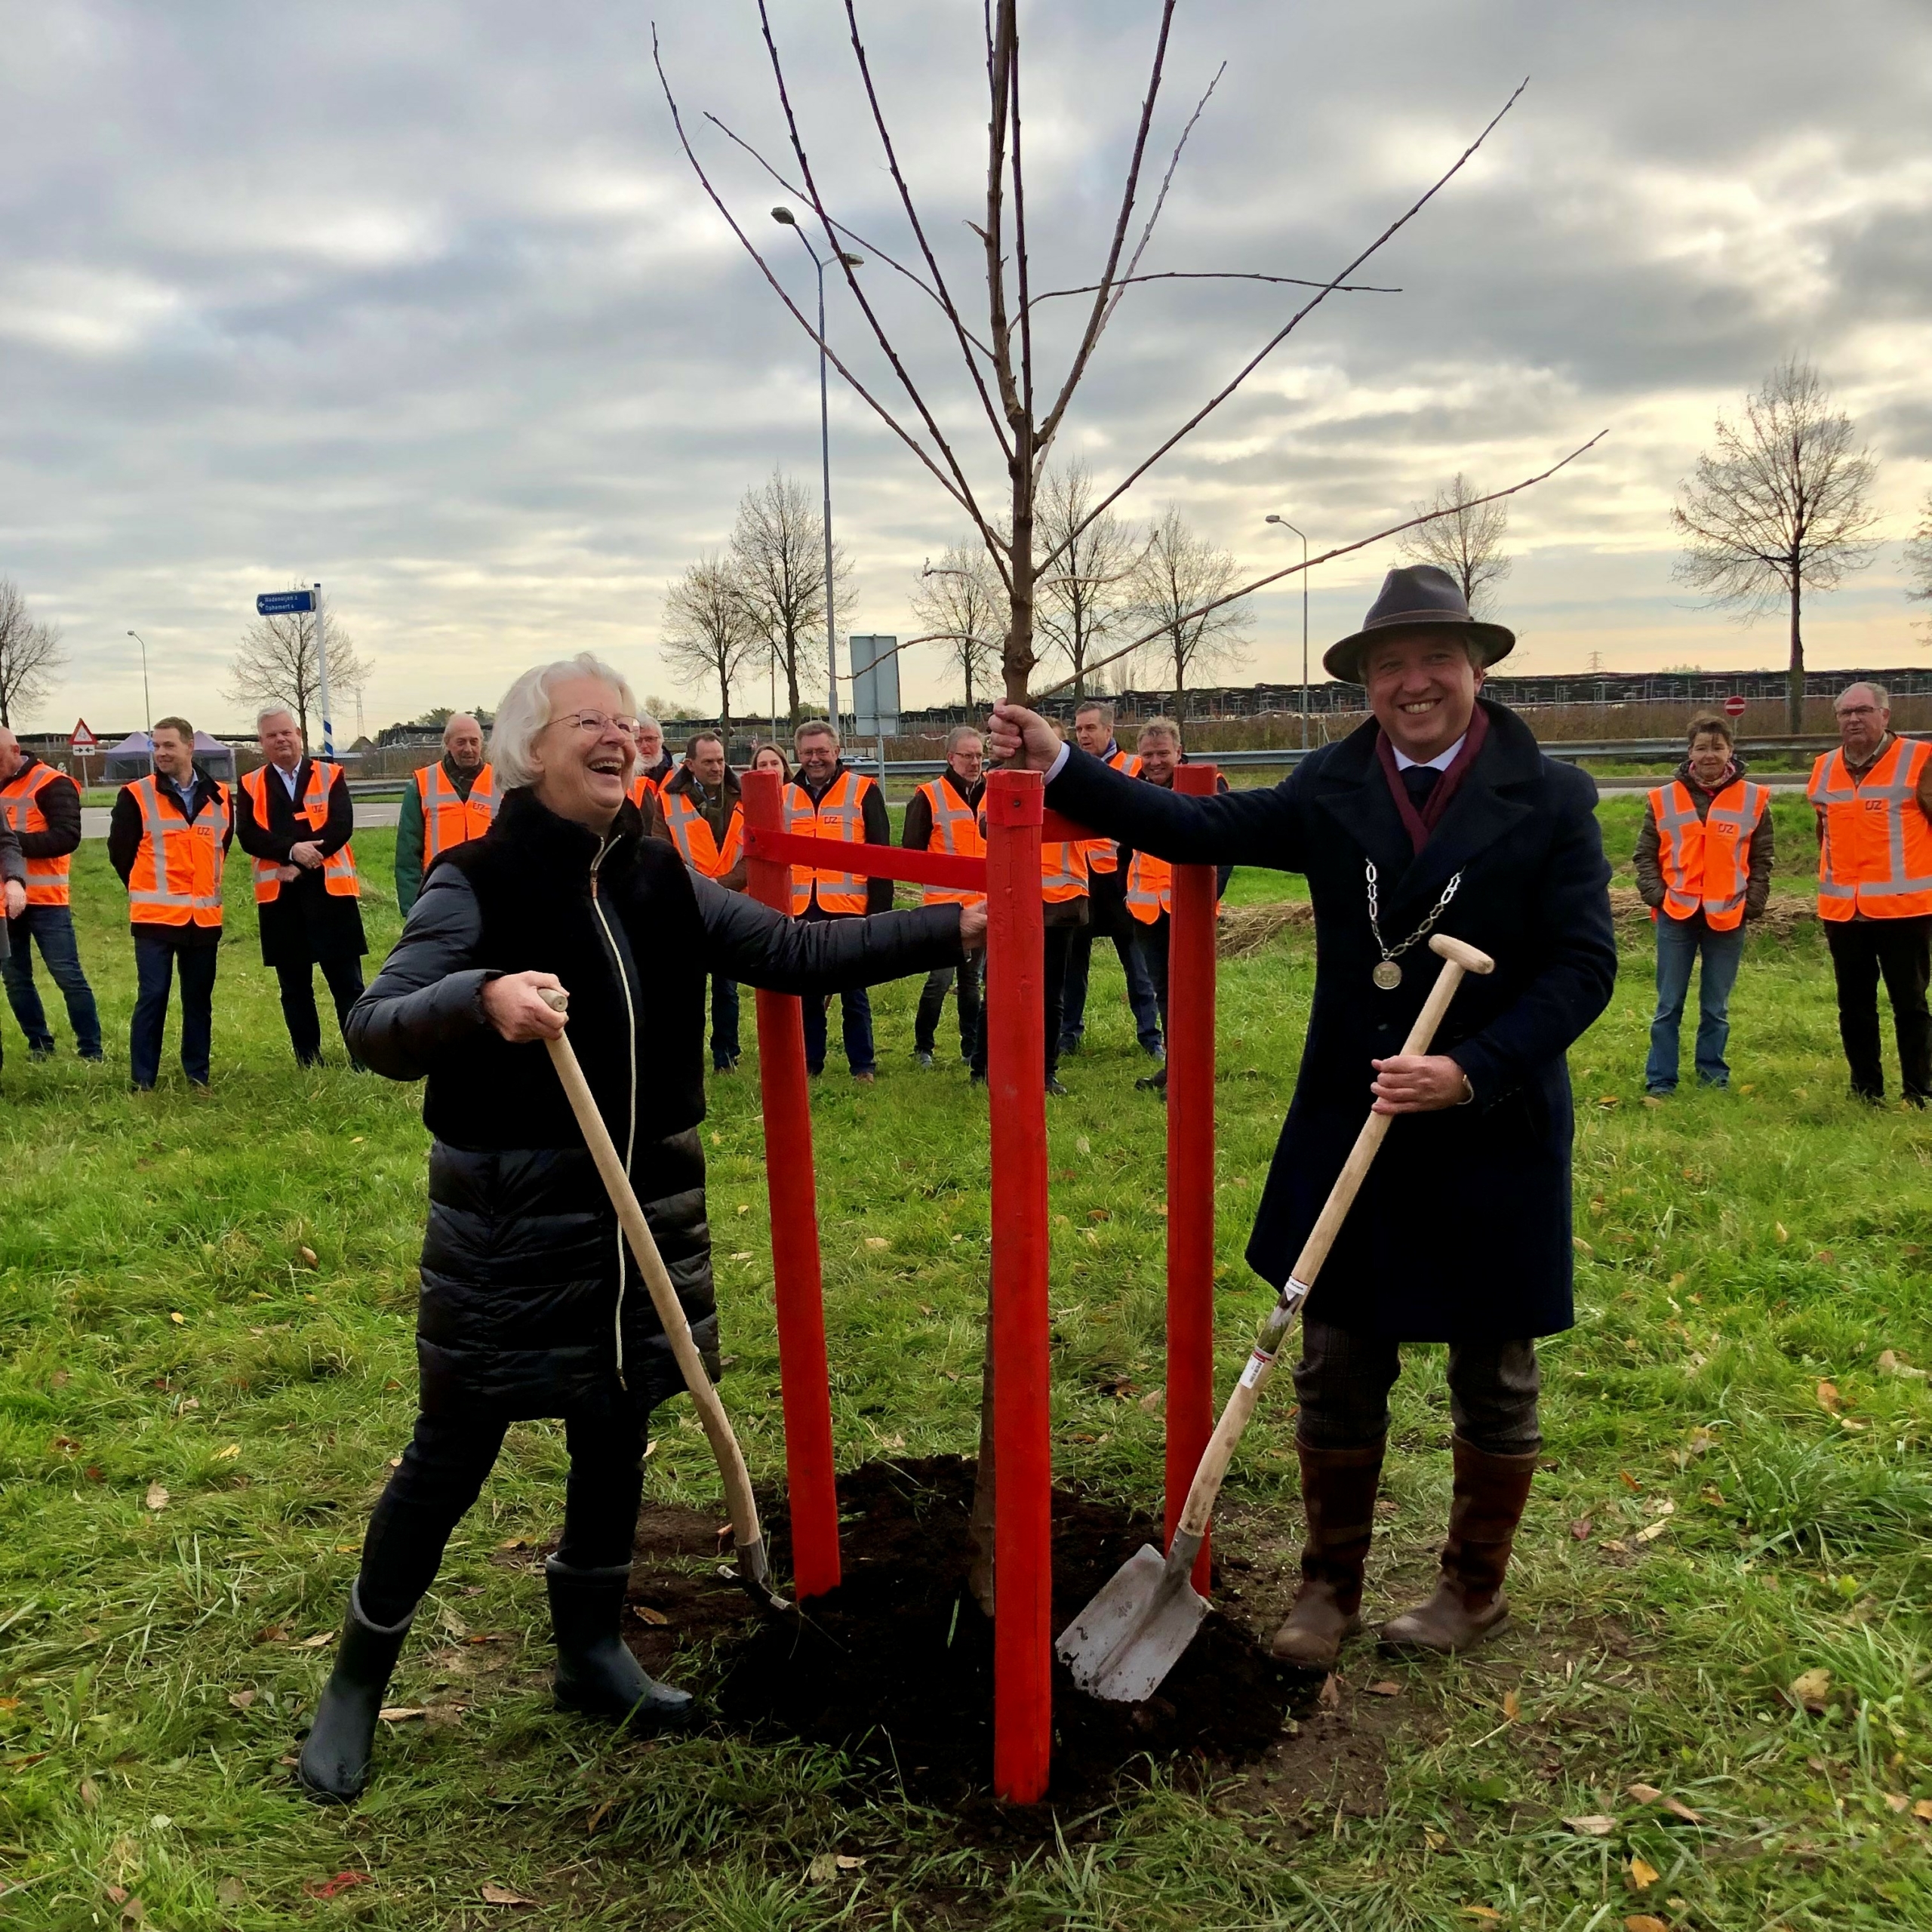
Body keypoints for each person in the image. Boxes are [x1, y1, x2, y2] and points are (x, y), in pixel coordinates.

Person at [299, 653, 979, 1802]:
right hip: (512, 1227)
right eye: (589, 724)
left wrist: (960, 926)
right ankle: (357, 1684)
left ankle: (592, 1653)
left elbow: (794, 954)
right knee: (452, 1453)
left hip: (644, 1208)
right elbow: (373, 1024)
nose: (620, 738)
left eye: (630, 722)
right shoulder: (480, 879)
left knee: (618, 1425)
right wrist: (482, 999)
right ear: (531, 750)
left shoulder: (662, 875)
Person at [989, 563, 1617, 1667]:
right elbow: (1193, 826)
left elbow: (1582, 967)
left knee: (1495, 1369)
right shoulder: (1332, 787)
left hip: (1489, 1126)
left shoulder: (1554, 796)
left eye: (1433, 661)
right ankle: (1327, 1591)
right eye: (1388, 668)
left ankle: (1474, 1591)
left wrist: (1472, 1069)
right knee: (1333, 1357)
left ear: (1476, 667)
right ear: (1365, 684)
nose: (1412, 684)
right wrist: (1065, 766)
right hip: (1354, 1128)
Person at [1635, 712, 1773, 1096]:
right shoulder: (1663, 798)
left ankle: (1713, 1078)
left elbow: (1763, 859)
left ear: (1730, 750)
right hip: (1676, 914)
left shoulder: (1754, 798)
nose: (1709, 754)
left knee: (1716, 1008)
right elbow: (1645, 854)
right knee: (1668, 1006)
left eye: (1717, 746)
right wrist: (1657, 895)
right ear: (1689, 751)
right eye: (1701, 747)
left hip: (1729, 915)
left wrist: (1754, 902)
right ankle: (1661, 1080)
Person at [1808, 681, 1932, 1105]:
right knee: (1854, 1008)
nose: (1853, 719)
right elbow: (1823, 833)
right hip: (1844, 913)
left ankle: (1918, 1091)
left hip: (1905, 910)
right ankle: (1865, 1090)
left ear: (1886, 715)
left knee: (1910, 1006)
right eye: (1845, 713)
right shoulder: (1824, 766)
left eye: (1862, 711)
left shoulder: (1920, 759)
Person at [107, 717, 234, 1091]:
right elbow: (121, 854)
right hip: (155, 917)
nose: (160, 753)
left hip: (204, 918)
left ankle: (198, 1075)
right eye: (156, 746)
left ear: (189, 746)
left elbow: (221, 849)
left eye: (168, 746)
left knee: (199, 1000)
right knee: (153, 996)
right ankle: (143, 1080)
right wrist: (147, 888)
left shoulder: (221, 796)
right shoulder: (136, 795)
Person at [236, 709, 368, 1069]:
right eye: (271, 736)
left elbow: (341, 826)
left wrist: (302, 860)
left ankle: (361, 1057)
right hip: (281, 902)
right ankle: (308, 1060)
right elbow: (248, 835)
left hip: (331, 898)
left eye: (286, 733)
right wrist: (290, 851)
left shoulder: (330, 775)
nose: (281, 740)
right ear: (262, 743)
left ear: (299, 734)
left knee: (348, 986)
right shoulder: (250, 784)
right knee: (295, 989)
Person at [968, 721, 1090, 1094]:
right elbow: (986, 826)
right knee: (1002, 989)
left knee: (1051, 992)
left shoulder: (1075, 783)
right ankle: (982, 1066)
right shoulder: (1001, 780)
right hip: (1013, 898)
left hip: (1062, 900)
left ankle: (1045, 1071)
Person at [1118, 718, 1232, 1096]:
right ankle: (1175, 1066)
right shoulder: (1132, 787)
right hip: (1147, 910)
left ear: (1178, 752)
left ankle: (1192, 1069)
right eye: (1148, 754)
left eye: (1162, 753)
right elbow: (1124, 848)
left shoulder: (1206, 785)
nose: (1154, 761)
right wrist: (1124, 892)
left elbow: (1225, 851)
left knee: (1192, 991)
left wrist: (1207, 898)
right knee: (1163, 991)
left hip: (1189, 909)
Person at [786, 720, 892, 1082]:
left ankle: (862, 1066)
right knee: (807, 994)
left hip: (851, 908)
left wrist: (879, 913)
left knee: (854, 993)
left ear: (836, 751)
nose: (815, 759)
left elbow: (881, 855)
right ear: (798, 755)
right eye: (807, 753)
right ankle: (810, 1064)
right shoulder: (785, 794)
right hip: (802, 906)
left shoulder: (863, 790)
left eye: (822, 751)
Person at [1059, 700, 1164, 1063]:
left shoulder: (1134, 767)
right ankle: (1068, 1035)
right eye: (1079, 730)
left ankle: (1151, 1037)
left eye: (1090, 728)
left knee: (1137, 965)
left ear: (1109, 731)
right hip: (1080, 879)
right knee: (1074, 965)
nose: (1084, 736)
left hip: (1119, 882)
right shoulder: (1074, 770)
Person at [0, 727, 103, 1062]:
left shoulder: (52, 783)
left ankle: (91, 1050)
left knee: (68, 976)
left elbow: (66, 837)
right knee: (16, 980)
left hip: (47, 901)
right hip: (4, 903)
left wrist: (10, 842)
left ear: (16, 751)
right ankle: (39, 1045)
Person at [658, 731, 746, 1072]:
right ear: (690, 764)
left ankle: (727, 1055)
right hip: (686, 906)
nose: (717, 767)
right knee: (687, 991)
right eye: (708, 761)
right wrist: (695, 888)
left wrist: (721, 886)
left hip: (729, 904)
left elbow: (750, 855)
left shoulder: (743, 797)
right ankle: (687, 1058)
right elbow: (660, 850)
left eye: (721, 760)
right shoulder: (668, 799)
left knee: (727, 990)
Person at [903, 725, 985, 1068]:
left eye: (980, 755)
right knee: (939, 980)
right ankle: (924, 1047)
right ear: (951, 757)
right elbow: (912, 853)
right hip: (942, 910)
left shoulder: (993, 792)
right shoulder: (929, 796)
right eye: (967, 756)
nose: (975, 762)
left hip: (982, 907)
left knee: (971, 984)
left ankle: (971, 1047)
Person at [395, 714, 495, 916]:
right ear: (447, 744)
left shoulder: (500, 781)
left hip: (489, 894)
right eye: (461, 742)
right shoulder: (422, 784)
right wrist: (412, 908)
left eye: (474, 742)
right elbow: (408, 854)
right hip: (438, 895)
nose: (468, 749)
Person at [630, 714, 675, 795]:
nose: (644, 746)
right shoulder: (620, 778)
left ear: (661, 741)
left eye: (650, 739)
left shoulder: (680, 775)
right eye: (637, 740)